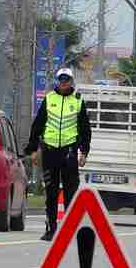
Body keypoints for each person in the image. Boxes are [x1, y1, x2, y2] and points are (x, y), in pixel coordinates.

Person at [24, 68, 91, 241]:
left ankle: (70, 230)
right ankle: (50, 229)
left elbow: (85, 129)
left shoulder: (78, 101)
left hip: (69, 152)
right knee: (51, 194)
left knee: (71, 194)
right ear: (57, 81)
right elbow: (37, 125)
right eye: (61, 80)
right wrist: (32, 150)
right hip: (50, 152)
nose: (64, 83)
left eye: (67, 80)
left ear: (72, 81)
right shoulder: (49, 99)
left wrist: (84, 152)